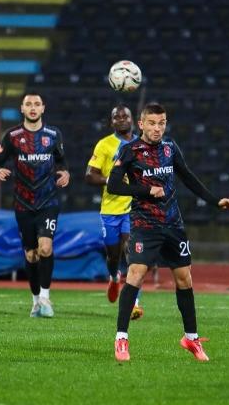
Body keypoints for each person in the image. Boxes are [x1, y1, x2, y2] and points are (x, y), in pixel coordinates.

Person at [106, 103, 229, 362]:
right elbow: (113, 185)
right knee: (136, 273)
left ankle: (191, 338)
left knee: (184, 279)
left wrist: (217, 201)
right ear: (141, 124)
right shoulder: (130, 150)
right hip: (145, 225)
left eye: (162, 123)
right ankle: (121, 338)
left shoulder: (170, 147)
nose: (157, 128)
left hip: (173, 224)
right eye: (152, 123)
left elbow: (188, 177)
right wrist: (146, 190)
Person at [0, 92, 70, 318]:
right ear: (22, 109)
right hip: (23, 203)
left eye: (37, 104)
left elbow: (61, 160)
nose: (33, 108)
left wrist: (65, 172)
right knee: (31, 256)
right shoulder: (12, 136)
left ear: (43, 108)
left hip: (48, 201)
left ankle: (45, 297)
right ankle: (35, 301)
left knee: (45, 247)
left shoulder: (53, 134)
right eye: (29, 104)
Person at [85, 105, 144, 319]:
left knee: (131, 251)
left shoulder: (142, 145)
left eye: (124, 116)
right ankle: (114, 277)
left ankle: (134, 302)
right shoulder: (105, 144)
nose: (121, 119)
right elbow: (89, 175)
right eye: (116, 117)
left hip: (133, 208)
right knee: (113, 255)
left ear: (132, 119)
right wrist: (109, 179)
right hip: (110, 209)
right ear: (112, 122)